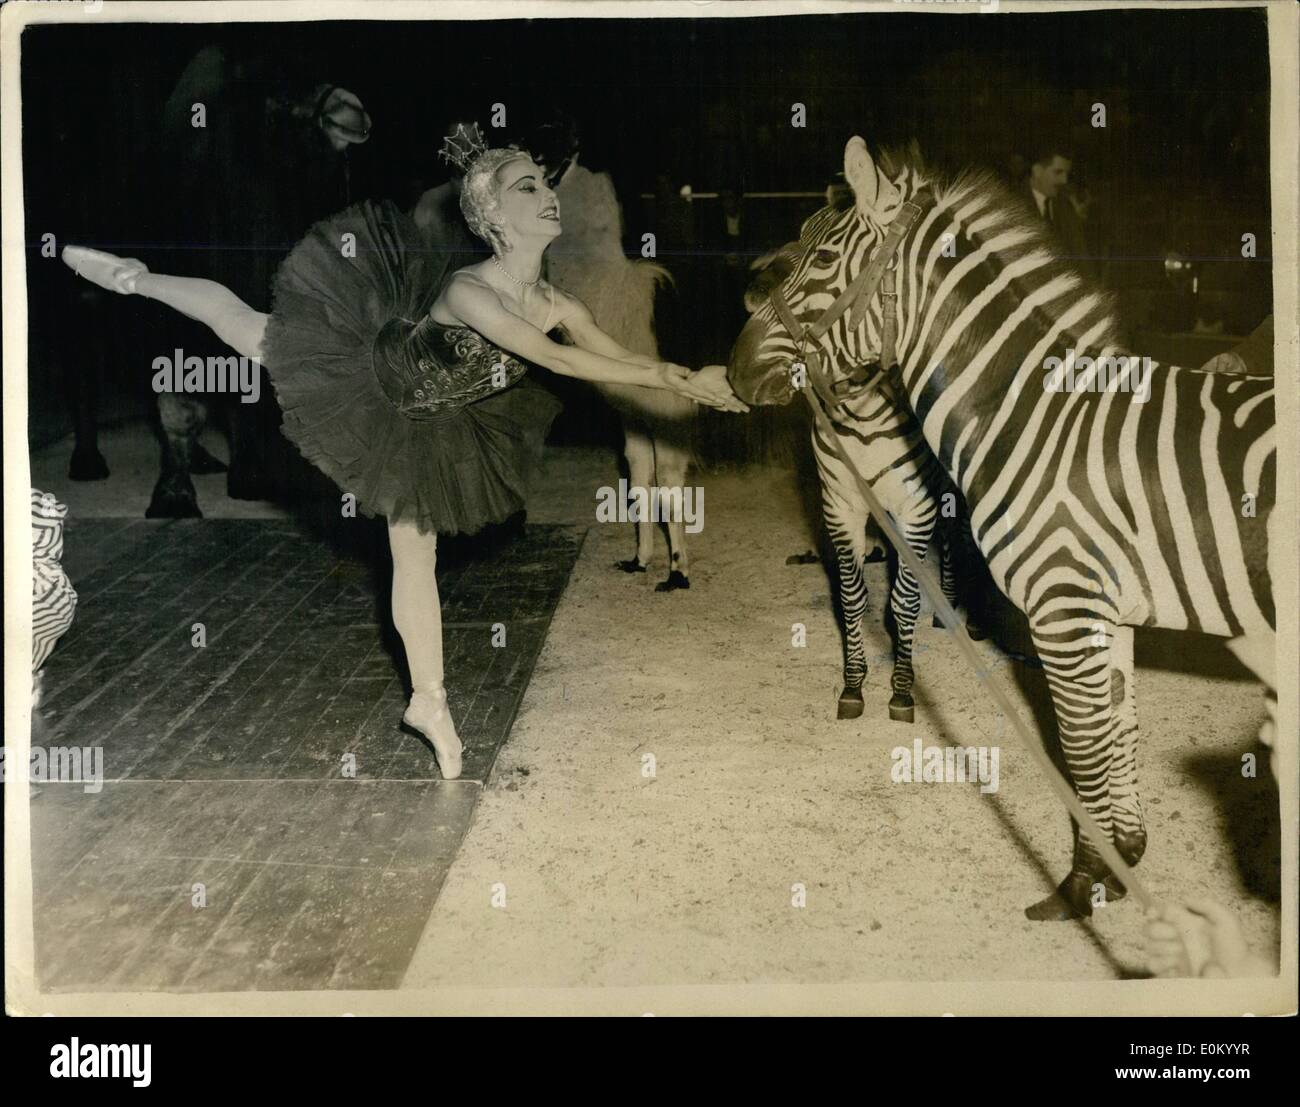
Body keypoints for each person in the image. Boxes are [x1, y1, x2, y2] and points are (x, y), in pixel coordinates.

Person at [62, 123, 745, 780]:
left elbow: (616, 355)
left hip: (432, 426)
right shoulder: (471, 291)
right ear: (493, 215)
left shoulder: (555, 300)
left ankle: (430, 701)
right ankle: (134, 277)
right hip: (366, 376)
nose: (547, 195)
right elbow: (553, 361)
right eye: (528, 187)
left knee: (415, 557)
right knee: (245, 324)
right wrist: (669, 378)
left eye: (544, 183)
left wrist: (691, 378)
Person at [1022, 143, 1091, 276]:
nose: (1064, 180)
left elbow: (1081, 257)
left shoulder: (1065, 202)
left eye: (1066, 174)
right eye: (1058, 172)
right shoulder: (1012, 202)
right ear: (1037, 171)